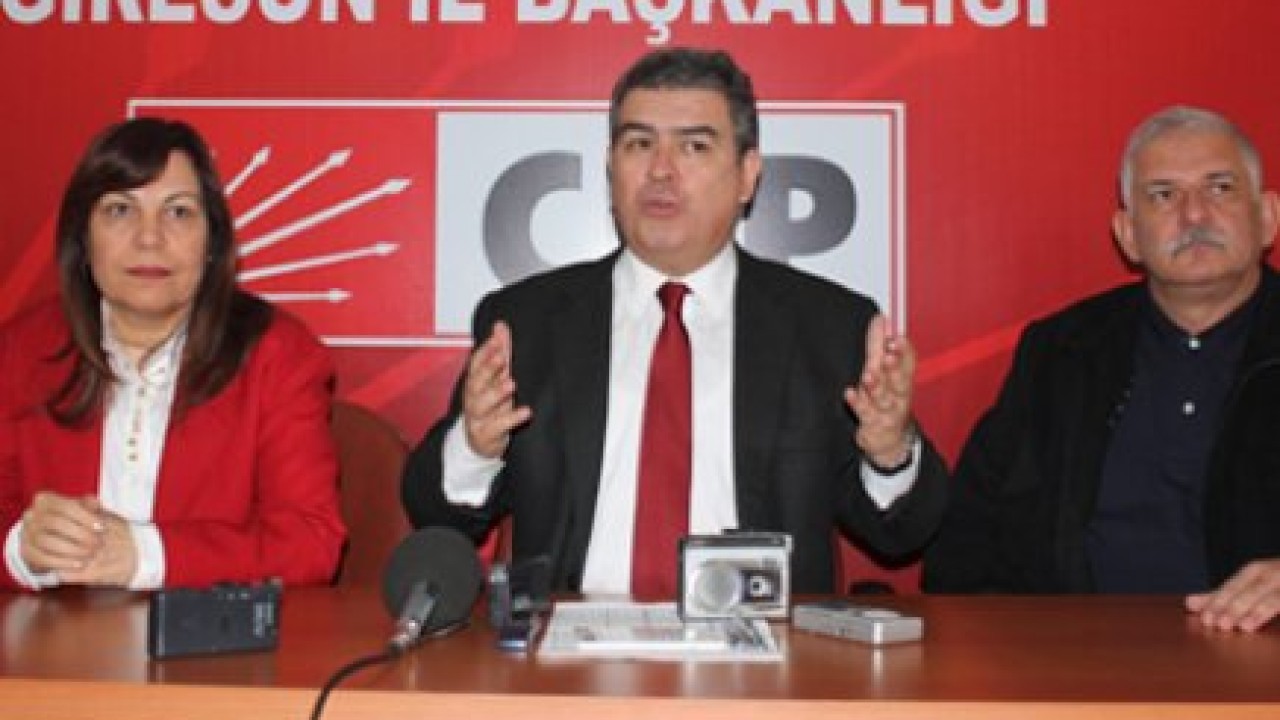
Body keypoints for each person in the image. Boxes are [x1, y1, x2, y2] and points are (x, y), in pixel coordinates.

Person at [402, 47, 948, 596]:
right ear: (611, 167)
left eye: (694, 146)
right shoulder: (527, 323)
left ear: (747, 176)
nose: (660, 170)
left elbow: (899, 534)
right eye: (639, 144)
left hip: (762, 636)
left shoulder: (828, 326)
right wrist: (475, 448)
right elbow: (436, 514)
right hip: (570, 635)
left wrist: (889, 453)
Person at [924, 106, 1280, 632]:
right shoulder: (1061, 351)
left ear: (1267, 217)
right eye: (1163, 195)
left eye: (1220, 188)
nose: (1194, 215)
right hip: (1077, 659)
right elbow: (969, 534)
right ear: (1127, 234)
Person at [0, 117, 346, 591]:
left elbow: (310, 541)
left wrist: (144, 554)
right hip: (51, 636)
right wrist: (21, 549)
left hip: (205, 636)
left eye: (179, 212)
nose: (149, 238)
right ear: (83, 239)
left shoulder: (278, 355)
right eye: (120, 210)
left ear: (213, 243)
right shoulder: (20, 350)